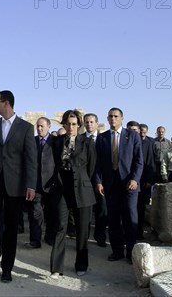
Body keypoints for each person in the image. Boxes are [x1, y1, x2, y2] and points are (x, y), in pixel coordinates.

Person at [0, 90, 37, 283]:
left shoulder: (26, 128)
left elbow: (30, 159)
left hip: (16, 184)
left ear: (6, 103)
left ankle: (7, 269)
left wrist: (30, 184)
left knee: (11, 227)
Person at [49, 110, 96, 279]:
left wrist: (83, 182)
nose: (71, 127)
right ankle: (56, 267)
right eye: (68, 123)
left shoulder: (87, 142)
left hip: (82, 189)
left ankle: (81, 264)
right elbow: (53, 163)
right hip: (62, 188)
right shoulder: (57, 141)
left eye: (74, 124)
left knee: (82, 230)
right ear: (64, 124)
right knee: (60, 228)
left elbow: (91, 167)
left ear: (79, 125)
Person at [93, 108, 143, 263]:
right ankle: (117, 251)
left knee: (129, 217)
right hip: (110, 184)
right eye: (110, 116)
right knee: (113, 218)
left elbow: (138, 161)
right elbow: (98, 163)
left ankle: (131, 252)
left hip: (129, 184)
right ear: (107, 119)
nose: (113, 119)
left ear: (122, 118)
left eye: (116, 116)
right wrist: (98, 181)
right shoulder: (102, 138)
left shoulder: (133, 135)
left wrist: (135, 179)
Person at [25, 117, 55, 249]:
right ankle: (35, 240)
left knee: (51, 213)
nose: (39, 128)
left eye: (42, 126)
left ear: (49, 126)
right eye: (38, 126)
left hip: (51, 184)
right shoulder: (32, 141)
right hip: (35, 184)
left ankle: (50, 237)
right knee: (35, 214)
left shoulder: (56, 142)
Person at [84, 113, 107, 247]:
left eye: (92, 122)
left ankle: (100, 236)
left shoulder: (104, 139)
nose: (89, 124)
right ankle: (84, 238)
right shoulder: (80, 139)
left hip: (101, 181)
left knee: (102, 210)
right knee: (85, 212)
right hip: (85, 181)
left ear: (97, 124)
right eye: (87, 122)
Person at [136, 123, 156, 239]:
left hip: (143, 181)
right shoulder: (130, 141)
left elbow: (151, 162)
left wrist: (149, 179)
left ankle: (139, 232)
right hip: (130, 181)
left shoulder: (149, 143)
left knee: (141, 208)